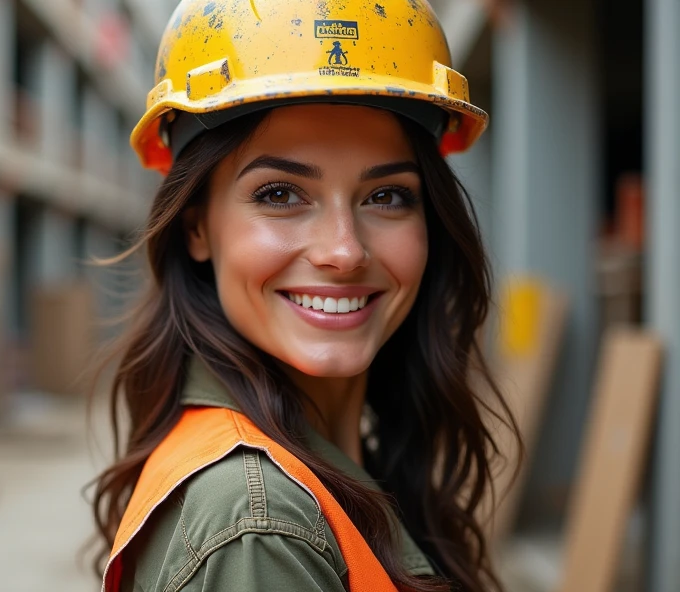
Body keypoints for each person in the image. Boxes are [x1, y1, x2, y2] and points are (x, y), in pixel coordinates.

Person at [92, 1, 517, 591]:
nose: (344, 251)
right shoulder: (258, 534)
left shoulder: (335, 468)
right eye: (280, 194)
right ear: (195, 227)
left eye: (387, 197)